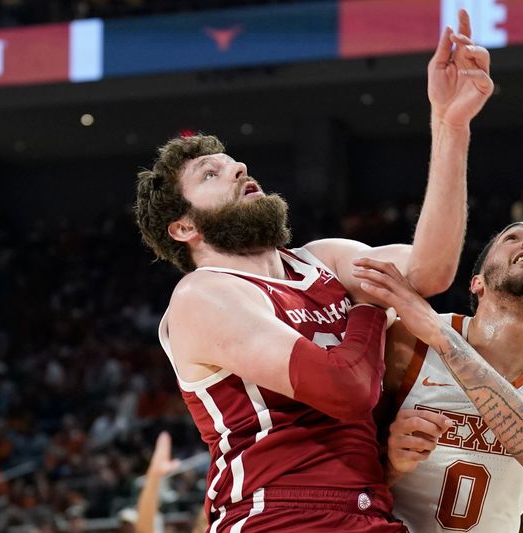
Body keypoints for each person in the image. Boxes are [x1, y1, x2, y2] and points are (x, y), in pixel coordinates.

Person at [132, 9, 494, 530]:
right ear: (184, 227)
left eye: (234, 161)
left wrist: (450, 125)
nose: (238, 167)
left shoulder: (322, 258)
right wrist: (372, 302)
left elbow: (429, 273)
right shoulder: (202, 295)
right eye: (211, 173)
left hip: (369, 510)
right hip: (276, 516)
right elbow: (345, 391)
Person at [351, 221, 523, 532]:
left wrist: (442, 337)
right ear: (477, 283)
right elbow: (341, 476)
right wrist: (391, 465)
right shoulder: (408, 342)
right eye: (513, 238)